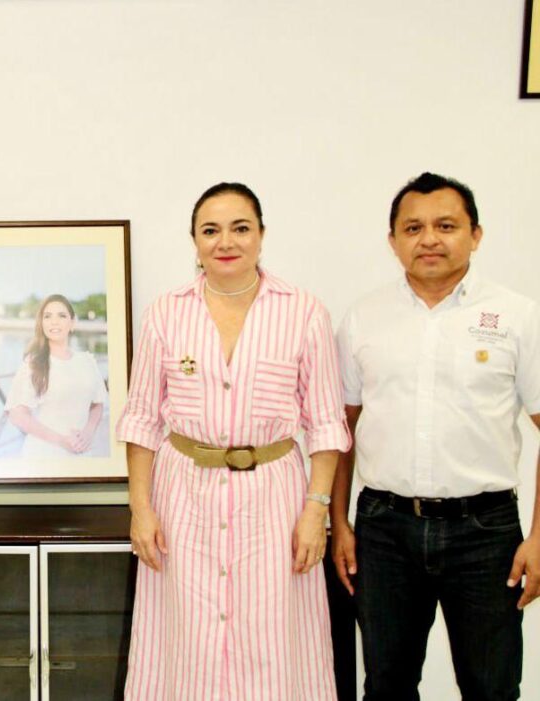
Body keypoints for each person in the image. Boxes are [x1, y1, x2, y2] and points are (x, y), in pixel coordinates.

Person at [118, 182, 350, 700]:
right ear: (194, 241)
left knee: (272, 635)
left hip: (275, 499)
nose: (227, 241)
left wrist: (316, 510)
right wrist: (141, 507)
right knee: (187, 635)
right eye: (211, 230)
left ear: (261, 236)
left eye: (240, 228)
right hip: (183, 495)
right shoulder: (165, 313)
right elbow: (141, 421)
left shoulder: (304, 312)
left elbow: (327, 424)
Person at [331, 172, 540, 700]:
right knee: (386, 684)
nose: (429, 239)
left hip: (486, 531)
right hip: (383, 530)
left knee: (492, 687)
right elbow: (341, 430)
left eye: (446, 225)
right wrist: (339, 522)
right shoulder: (363, 318)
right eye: (413, 227)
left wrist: (539, 538)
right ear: (393, 240)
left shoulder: (518, 318)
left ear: (476, 234)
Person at [6, 293, 108, 457]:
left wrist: (88, 433)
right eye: (47, 316)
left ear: (72, 322)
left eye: (61, 315)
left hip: (82, 452)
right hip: (43, 453)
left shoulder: (87, 361)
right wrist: (62, 440)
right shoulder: (33, 363)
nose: (54, 321)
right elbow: (17, 414)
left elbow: (98, 404)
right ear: (42, 324)